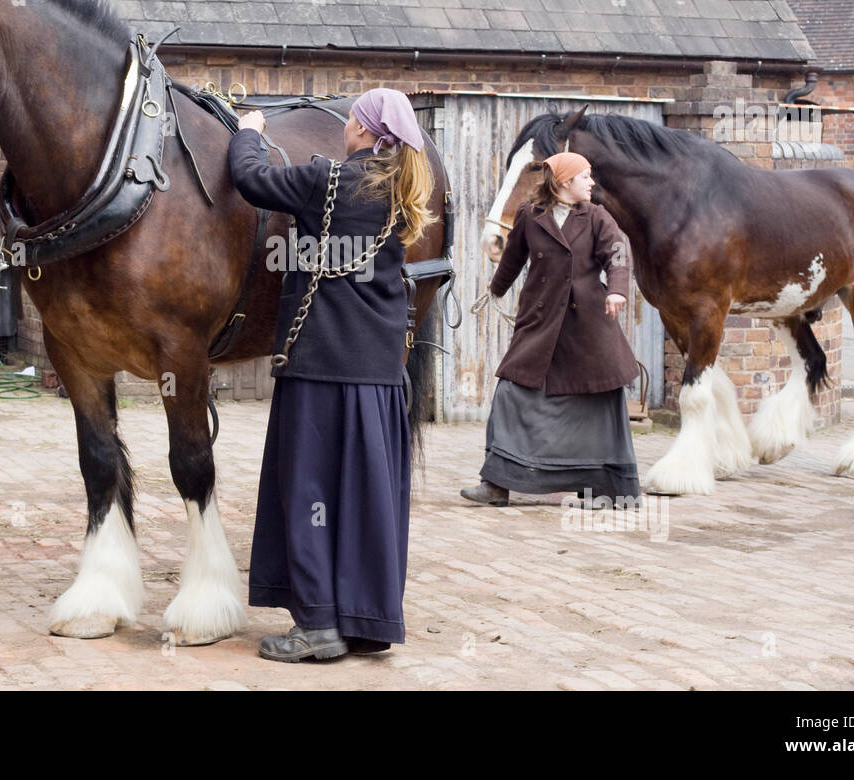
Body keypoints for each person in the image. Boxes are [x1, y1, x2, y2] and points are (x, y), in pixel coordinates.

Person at [228, 88, 436, 662]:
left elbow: (250, 178)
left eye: (350, 121)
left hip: (318, 368)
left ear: (365, 131)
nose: (345, 128)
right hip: (378, 376)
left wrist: (248, 128)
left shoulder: (326, 182)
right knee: (365, 499)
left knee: (309, 492)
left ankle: (317, 625)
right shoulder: (403, 191)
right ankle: (365, 620)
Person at [461, 151, 642, 508]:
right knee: (511, 395)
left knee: (598, 402)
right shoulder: (531, 215)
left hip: (587, 327)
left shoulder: (596, 217)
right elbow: (513, 258)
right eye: (585, 176)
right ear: (563, 182)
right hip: (540, 323)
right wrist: (495, 290)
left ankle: (609, 489)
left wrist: (618, 289)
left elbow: (618, 252)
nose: (592, 182)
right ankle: (497, 484)